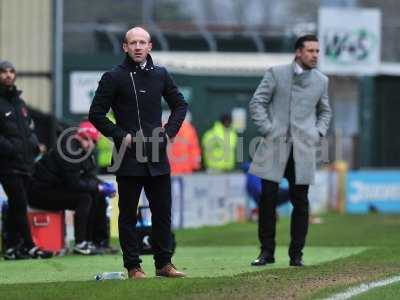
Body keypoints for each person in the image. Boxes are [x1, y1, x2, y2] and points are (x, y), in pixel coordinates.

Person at [89, 27, 188, 278]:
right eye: (133, 43)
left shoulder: (161, 75)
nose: (138, 47)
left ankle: (164, 264)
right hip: (128, 157)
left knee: (162, 212)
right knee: (129, 214)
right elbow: (96, 114)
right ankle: (133, 266)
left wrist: (169, 131)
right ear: (125, 47)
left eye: (142, 42)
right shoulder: (113, 77)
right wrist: (121, 135)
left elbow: (180, 104)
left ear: (150, 46)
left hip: (157, 155)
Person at [248, 35, 332, 267]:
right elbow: (257, 102)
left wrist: (317, 133)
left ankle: (297, 255)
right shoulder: (276, 73)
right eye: (310, 51)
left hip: (304, 149)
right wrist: (268, 129)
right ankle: (266, 252)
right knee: (267, 201)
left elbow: (325, 112)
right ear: (298, 52)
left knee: (301, 202)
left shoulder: (321, 81)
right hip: (274, 146)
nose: (315, 55)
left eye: (317, 51)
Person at [27, 120, 117, 255]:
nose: (93, 145)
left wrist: (101, 185)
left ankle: (94, 241)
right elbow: (74, 183)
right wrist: (98, 187)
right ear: (85, 138)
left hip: (50, 188)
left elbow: (88, 175)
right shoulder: (69, 151)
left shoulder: (79, 149)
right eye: (93, 141)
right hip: (39, 192)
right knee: (85, 198)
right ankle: (81, 243)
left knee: (94, 194)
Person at [0, 60, 53, 260]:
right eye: (3, 72)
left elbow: (29, 128)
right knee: (19, 203)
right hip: (7, 164)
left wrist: (34, 144)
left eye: (11, 71)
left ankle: (14, 247)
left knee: (17, 206)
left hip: (25, 163)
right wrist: (12, 148)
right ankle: (30, 246)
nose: (7, 75)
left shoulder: (19, 102)